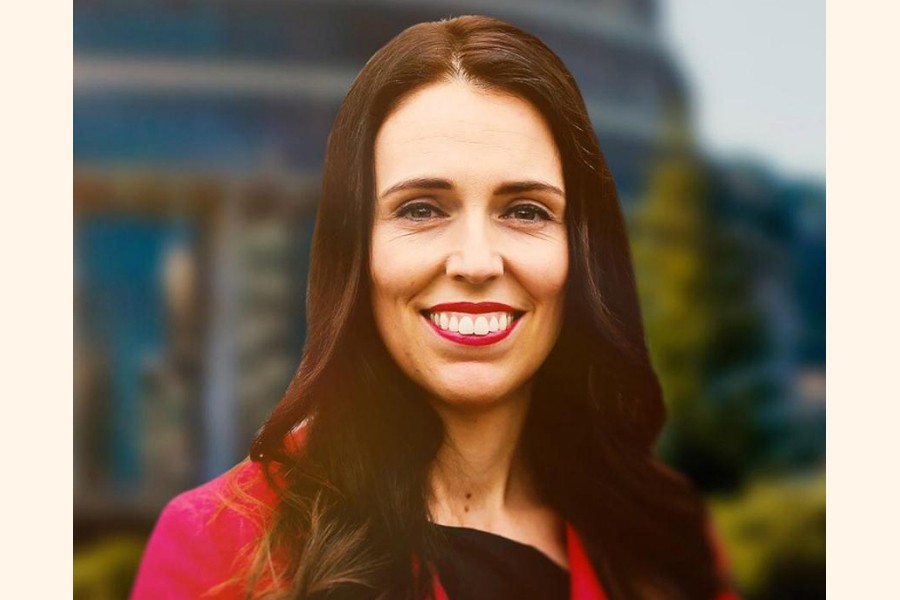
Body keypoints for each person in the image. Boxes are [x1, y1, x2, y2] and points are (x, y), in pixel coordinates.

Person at [132, 15, 736, 600]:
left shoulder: (661, 545)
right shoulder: (217, 549)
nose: (476, 262)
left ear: (581, 252)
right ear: (355, 249)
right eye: (421, 209)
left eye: (525, 210)